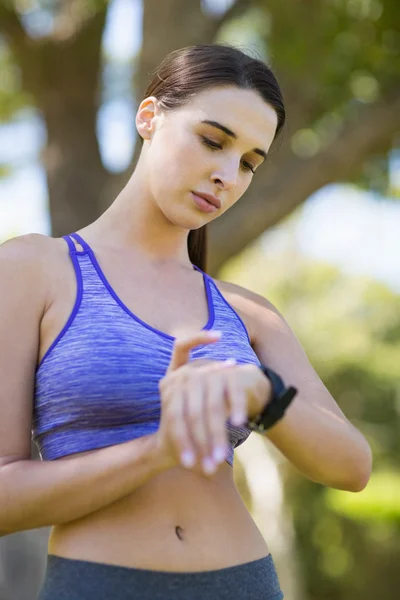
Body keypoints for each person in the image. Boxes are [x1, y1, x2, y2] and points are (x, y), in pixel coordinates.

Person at [0, 43, 372, 600]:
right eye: (212, 140)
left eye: (248, 162)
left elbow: (352, 467)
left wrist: (262, 393)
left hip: (244, 583)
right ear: (149, 118)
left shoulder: (246, 310)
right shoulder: (32, 269)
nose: (227, 174)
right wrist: (158, 451)